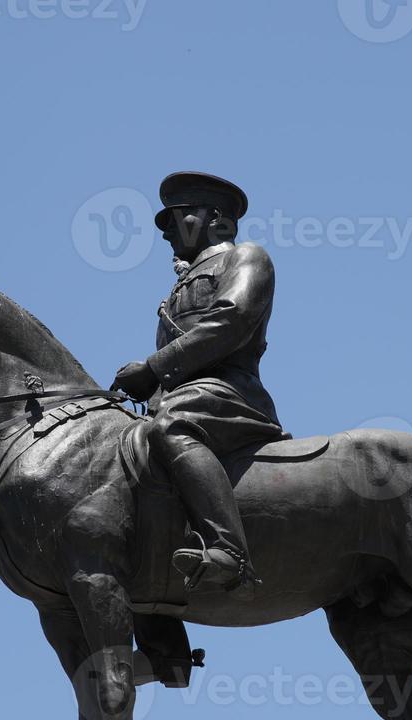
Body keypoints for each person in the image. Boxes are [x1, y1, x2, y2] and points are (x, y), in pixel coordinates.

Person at [111, 172, 286, 593]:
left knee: (172, 426)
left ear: (216, 219)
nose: (168, 230)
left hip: (231, 394)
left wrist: (153, 368)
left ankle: (228, 550)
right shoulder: (179, 285)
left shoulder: (246, 257)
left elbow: (232, 321)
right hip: (186, 396)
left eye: (178, 217)